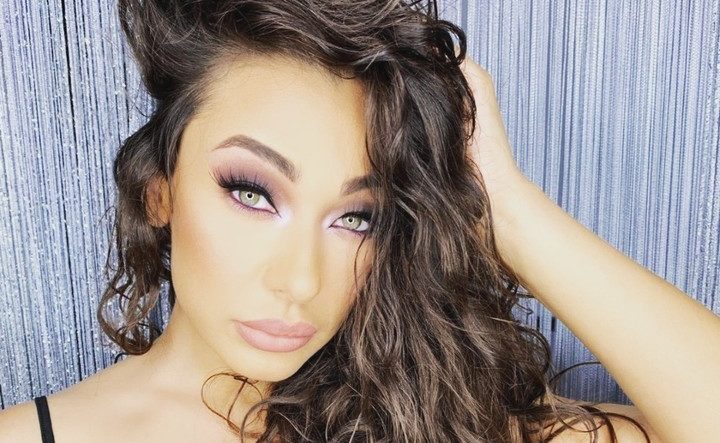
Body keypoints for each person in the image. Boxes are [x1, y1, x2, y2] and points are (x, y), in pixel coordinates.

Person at [1, 0, 718, 441]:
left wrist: (507, 210)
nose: (301, 280)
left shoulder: (422, 419)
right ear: (160, 192)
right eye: (252, 193)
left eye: (356, 217)